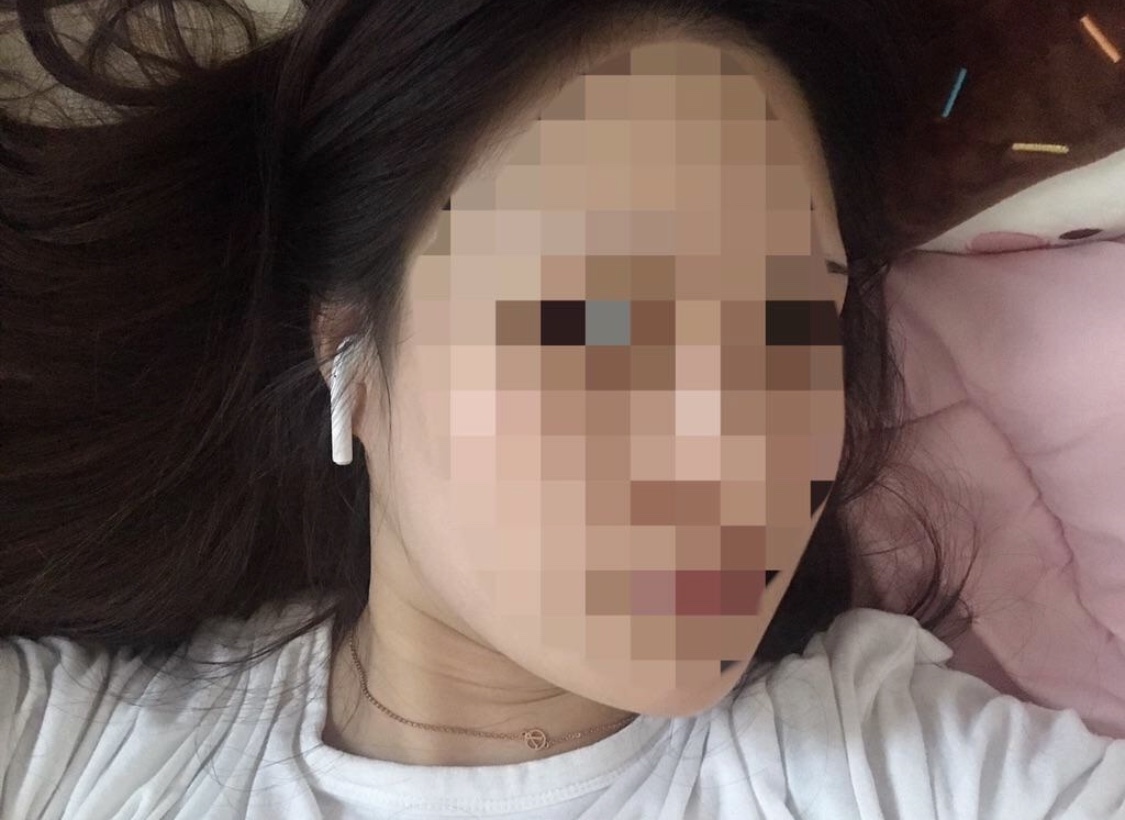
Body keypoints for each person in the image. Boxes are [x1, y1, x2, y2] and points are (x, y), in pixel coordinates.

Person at [4, 1, 1125, 817]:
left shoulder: (906, 772)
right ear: (346, 346)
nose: (735, 440)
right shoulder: (62, 751)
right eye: (599, 318)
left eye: (793, 325)